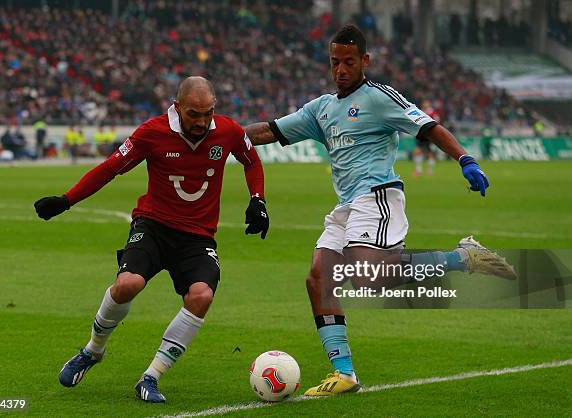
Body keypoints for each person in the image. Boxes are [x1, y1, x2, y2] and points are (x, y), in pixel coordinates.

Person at [245, 25, 515, 396]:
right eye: (335, 62)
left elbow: (429, 127)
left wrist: (465, 158)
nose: (341, 69)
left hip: (378, 197)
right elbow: (269, 132)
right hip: (346, 207)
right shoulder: (321, 109)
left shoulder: (379, 97)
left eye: (349, 62)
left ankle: (462, 258)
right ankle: (344, 374)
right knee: (318, 279)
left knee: (368, 278)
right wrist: (220, 135)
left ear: (365, 61)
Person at [34, 76, 269, 403]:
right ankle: (93, 350)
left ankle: (151, 376)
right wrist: (67, 199)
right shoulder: (152, 132)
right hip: (153, 226)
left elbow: (251, 160)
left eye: (208, 113)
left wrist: (257, 199)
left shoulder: (227, 131)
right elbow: (110, 168)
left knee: (201, 296)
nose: (202, 122)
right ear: (177, 108)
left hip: (197, 237)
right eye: (194, 114)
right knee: (127, 284)